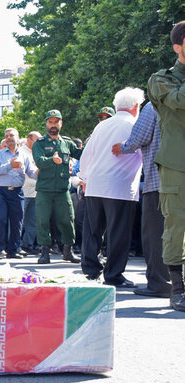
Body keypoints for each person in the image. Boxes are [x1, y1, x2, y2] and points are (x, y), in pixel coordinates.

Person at [79, 87, 144, 288]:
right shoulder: (136, 125)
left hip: (95, 184)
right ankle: (114, 274)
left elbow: (86, 155)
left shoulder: (102, 126)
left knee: (92, 230)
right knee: (118, 233)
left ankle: (91, 271)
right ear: (136, 106)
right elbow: (144, 153)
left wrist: (85, 177)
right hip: (120, 187)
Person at [112, 102, 171, 297]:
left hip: (158, 181)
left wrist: (123, 147)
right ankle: (179, 286)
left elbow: (139, 137)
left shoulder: (155, 105)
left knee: (155, 235)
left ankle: (160, 283)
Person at [147, 20, 185, 311]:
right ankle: (178, 287)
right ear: (178, 47)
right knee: (176, 226)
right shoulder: (163, 79)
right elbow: (179, 101)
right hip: (177, 164)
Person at [32, 110, 83, 264]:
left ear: (61, 123)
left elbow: (82, 155)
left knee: (68, 219)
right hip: (44, 190)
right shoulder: (40, 143)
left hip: (62, 190)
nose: (53, 125)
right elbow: (39, 161)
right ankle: (44, 251)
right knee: (42, 220)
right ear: (46, 123)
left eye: (56, 122)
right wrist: (52, 160)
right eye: (50, 122)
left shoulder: (67, 143)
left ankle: (68, 251)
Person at [0, 128, 38, 259]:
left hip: (17, 191)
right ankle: (0, 248)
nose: (8, 138)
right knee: (0, 219)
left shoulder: (24, 155)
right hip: (0, 191)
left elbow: (31, 172)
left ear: (18, 137)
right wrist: (9, 166)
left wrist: (40, 172)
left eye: (11, 135)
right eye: (6, 136)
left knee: (17, 222)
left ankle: (14, 249)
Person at [20, 131, 41, 254]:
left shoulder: (37, 152)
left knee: (33, 222)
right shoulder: (21, 152)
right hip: (23, 191)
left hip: (35, 192)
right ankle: (14, 245)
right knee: (19, 221)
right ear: (29, 139)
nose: (38, 143)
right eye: (36, 140)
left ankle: (28, 245)